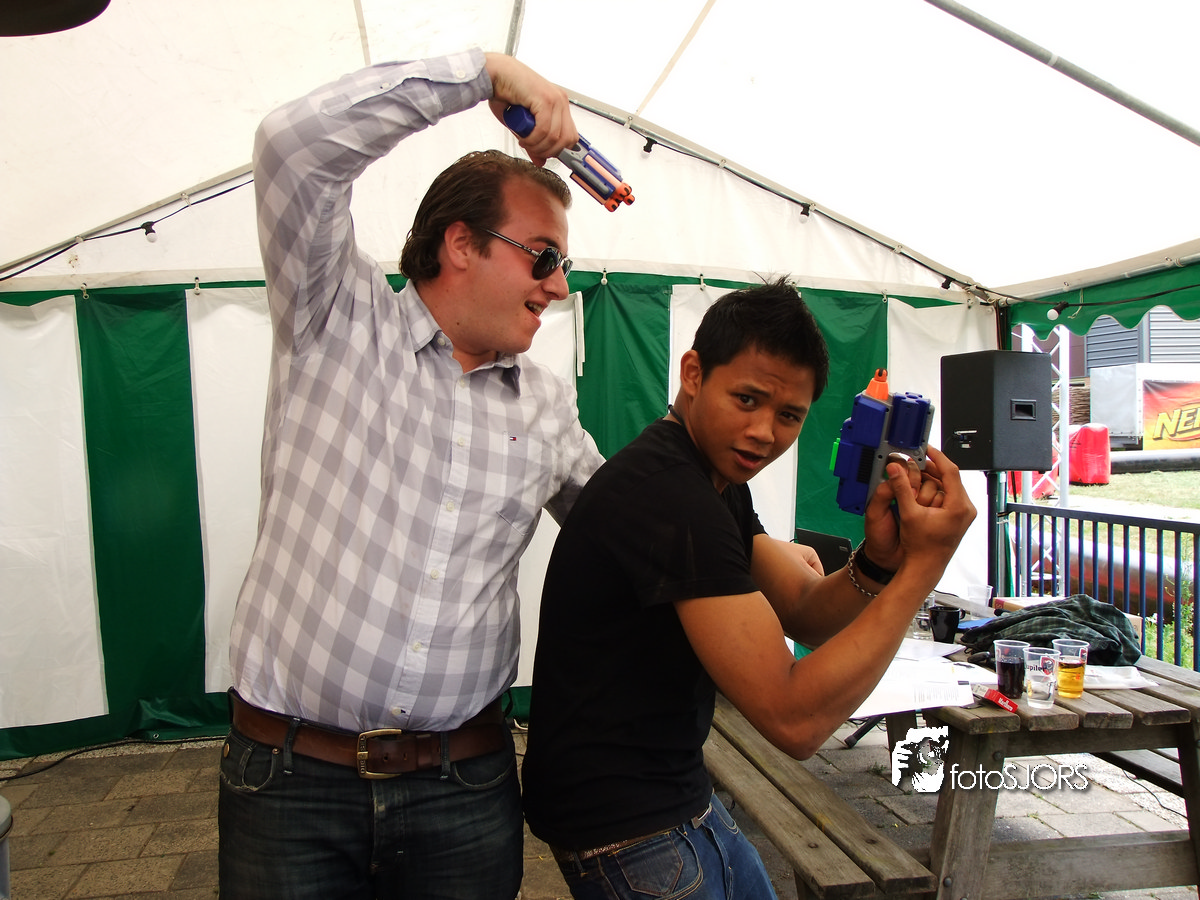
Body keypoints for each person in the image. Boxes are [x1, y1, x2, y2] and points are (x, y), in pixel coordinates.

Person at [218, 49, 604, 900]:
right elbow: (291, 147)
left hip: (461, 788)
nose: (558, 287)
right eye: (543, 257)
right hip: (291, 784)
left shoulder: (547, 405)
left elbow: (628, 528)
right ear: (461, 243)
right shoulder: (335, 317)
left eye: (563, 265)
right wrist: (484, 73)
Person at [522, 280, 976, 900]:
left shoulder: (714, 481)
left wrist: (879, 564)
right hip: (628, 830)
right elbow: (795, 720)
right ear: (693, 374)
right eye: (747, 399)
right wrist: (925, 565)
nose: (764, 432)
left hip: (675, 797)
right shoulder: (671, 495)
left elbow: (804, 610)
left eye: (789, 415)